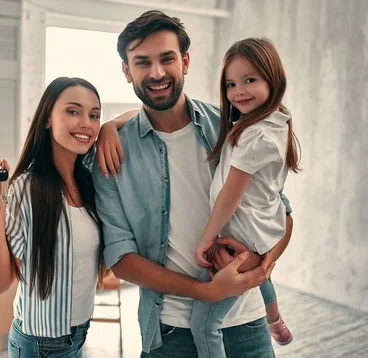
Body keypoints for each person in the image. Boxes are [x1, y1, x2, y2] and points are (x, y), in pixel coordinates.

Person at [92, 10, 294, 357]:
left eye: (166, 58)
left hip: (249, 326)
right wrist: (204, 292)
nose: (156, 73)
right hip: (169, 335)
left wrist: (261, 264)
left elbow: (282, 214)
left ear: (185, 61)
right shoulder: (111, 153)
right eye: (142, 62)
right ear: (127, 71)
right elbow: (120, 258)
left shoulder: (232, 127)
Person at [0, 77, 104, 358]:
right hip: (41, 344)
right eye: (73, 111)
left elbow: (134, 118)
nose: (86, 123)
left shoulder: (89, 177)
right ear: (48, 119)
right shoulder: (28, 188)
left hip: (79, 334)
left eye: (95, 115)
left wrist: (110, 129)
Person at [189, 37, 300, 358]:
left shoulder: (256, 135)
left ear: (273, 78)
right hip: (258, 232)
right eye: (231, 83)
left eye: (250, 80)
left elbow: (231, 194)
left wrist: (206, 239)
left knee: (203, 325)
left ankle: (274, 318)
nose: (239, 91)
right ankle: (275, 318)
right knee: (259, 271)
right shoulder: (274, 121)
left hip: (243, 235)